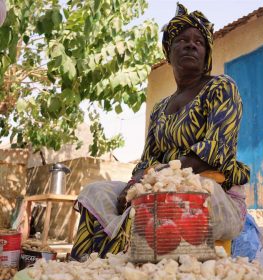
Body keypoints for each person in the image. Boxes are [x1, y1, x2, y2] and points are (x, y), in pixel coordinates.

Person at [70, 3, 250, 261]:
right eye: (182, 40)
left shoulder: (220, 88)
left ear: (207, 53)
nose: (191, 45)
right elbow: (146, 161)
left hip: (213, 193)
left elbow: (215, 153)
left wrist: (152, 179)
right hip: (155, 185)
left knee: (156, 200)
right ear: (169, 51)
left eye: (199, 42)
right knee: (95, 192)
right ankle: (87, 269)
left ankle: (130, 273)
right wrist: (135, 183)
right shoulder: (160, 108)